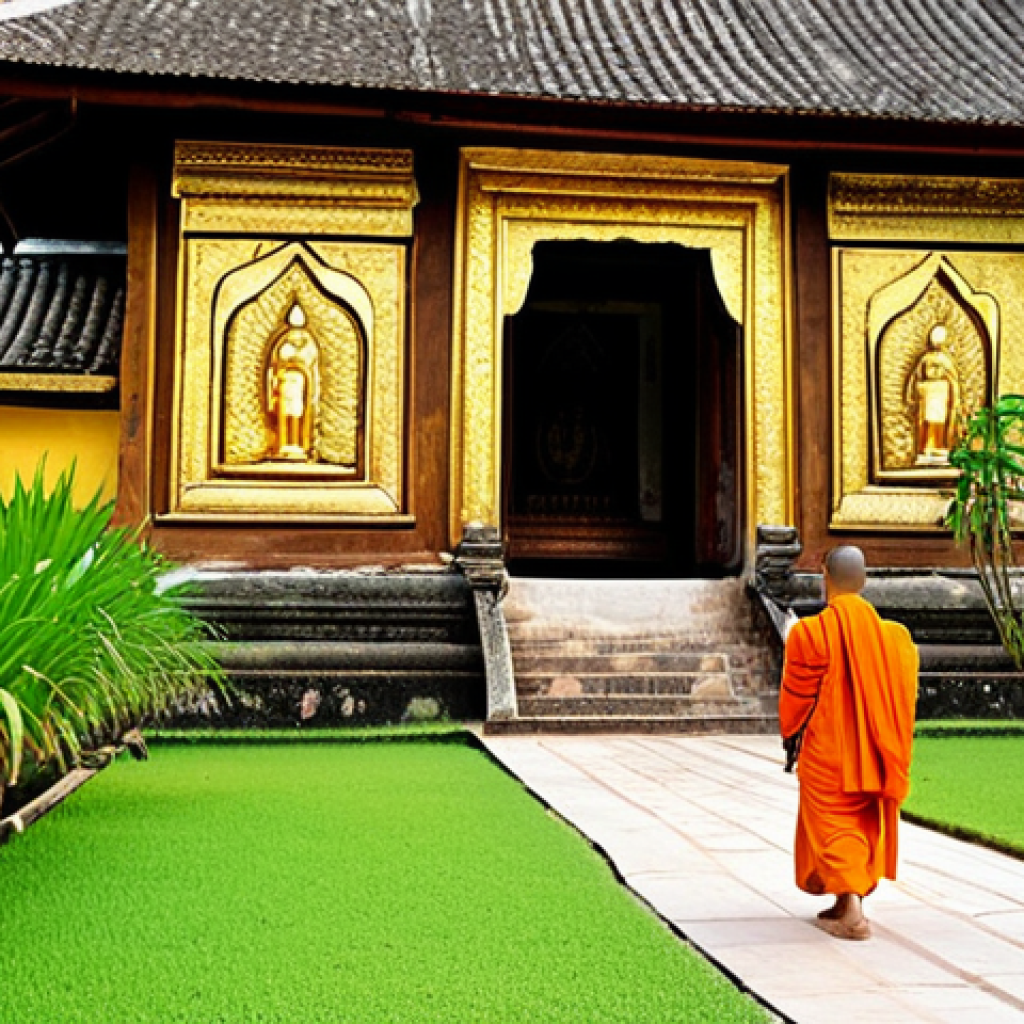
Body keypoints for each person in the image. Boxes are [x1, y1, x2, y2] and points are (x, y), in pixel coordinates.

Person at [779, 546, 918, 941]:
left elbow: (797, 695)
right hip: (876, 748)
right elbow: (905, 698)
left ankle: (852, 913)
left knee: (835, 826)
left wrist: (790, 736)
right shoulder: (896, 639)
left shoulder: (810, 632)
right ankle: (844, 898)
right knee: (860, 823)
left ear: (825, 577)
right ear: (864, 580)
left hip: (830, 751)